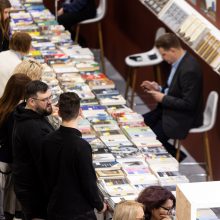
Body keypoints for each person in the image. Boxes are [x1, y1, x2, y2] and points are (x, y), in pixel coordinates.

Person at [42, 92, 107, 220]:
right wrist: (99, 205)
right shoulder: (81, 146)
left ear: (59, 113)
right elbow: (88, 181)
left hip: (55, 206)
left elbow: (43, 173)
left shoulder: (47, 140)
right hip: (78, 211)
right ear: (80, 112)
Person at [141, 33, 203, 161]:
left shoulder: (190, 70)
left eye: (164, 54)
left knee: (149, 143)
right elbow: (173, 89)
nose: (163, 58)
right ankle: (175, 155)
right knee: (137, 127)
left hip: (182, 115)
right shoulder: (177, 62)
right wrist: (157, 88)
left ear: (173, 50)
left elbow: (188, 104)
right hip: (167, 108)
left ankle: (176, 156)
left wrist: (163, 98)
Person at [12, 80, 55, 220]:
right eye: (45, 99)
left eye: (50, 97)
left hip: (30, 186)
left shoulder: (28, 113)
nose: (50, 102)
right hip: (35, 192)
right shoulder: (32, 128)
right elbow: (45, 162)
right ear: (31, 101)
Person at [0, 74, 31, 220]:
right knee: (8, 205)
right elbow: (15, 143)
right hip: (8, 165)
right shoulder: (14, 114)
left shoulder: (3, 105)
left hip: (4, 160)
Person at [0, 32, 32, 96]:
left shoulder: (1, 54)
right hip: (6, 97)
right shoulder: (20, 65)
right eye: (30, 44)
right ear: (25, 46)